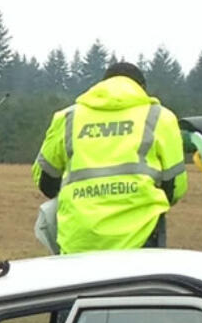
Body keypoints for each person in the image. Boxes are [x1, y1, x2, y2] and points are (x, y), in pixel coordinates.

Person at [32, 62, 187, 254]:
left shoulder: (67, 117)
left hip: (78, 239)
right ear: (142, 89)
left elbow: (45, 180)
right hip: (141, 239)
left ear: (101, 85)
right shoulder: (160, 117)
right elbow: (175, 187)